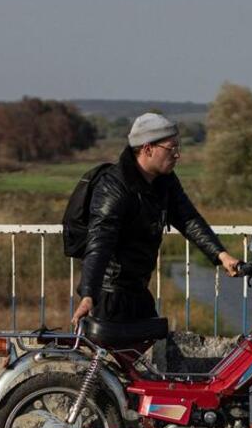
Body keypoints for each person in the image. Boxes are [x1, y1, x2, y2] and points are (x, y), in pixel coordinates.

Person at [71, 112, 240, 330]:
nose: (177, 155)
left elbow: (188, 218)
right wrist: (88, 295)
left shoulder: (164, 181)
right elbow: (99, 244)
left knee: (148, 352)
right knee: (120, 359)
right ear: (147, 148)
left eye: (179, 148)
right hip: (109, 296)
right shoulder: (113, 187)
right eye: (171, 149)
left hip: (138, 290)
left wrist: (222, 256)